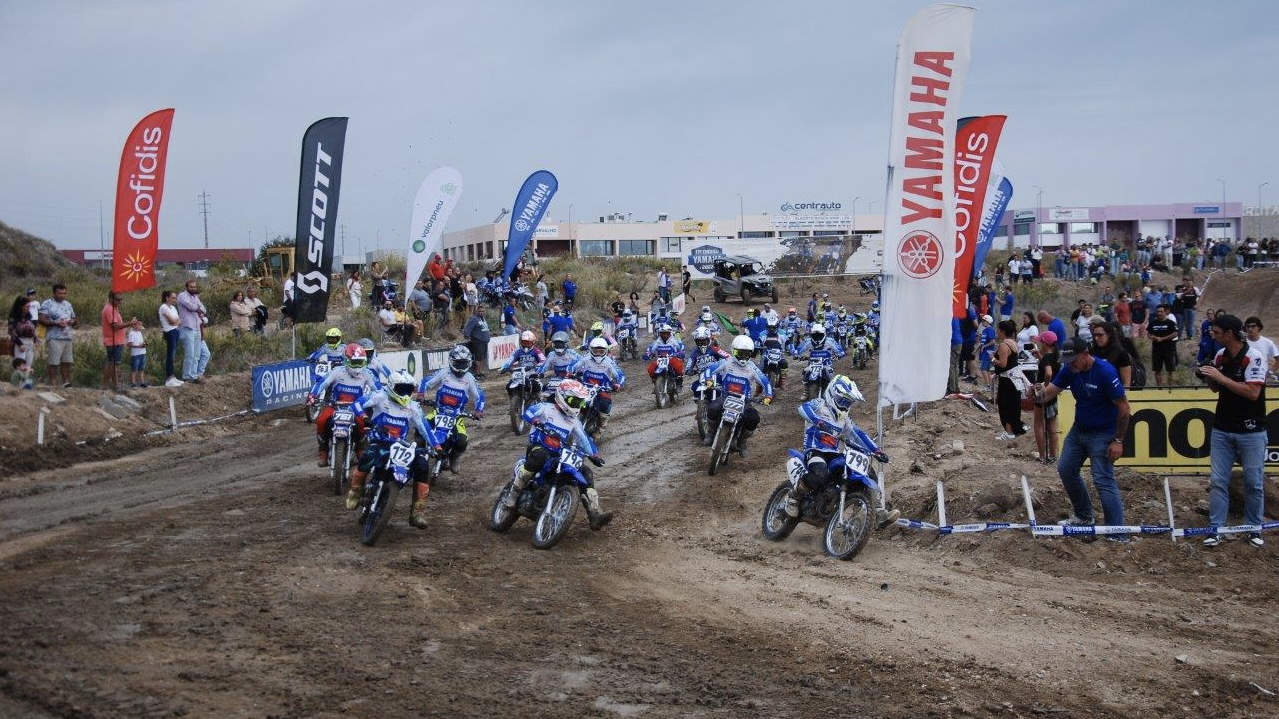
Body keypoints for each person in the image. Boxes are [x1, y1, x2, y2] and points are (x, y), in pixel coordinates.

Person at [1035, 337, 1132, 542]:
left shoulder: (1105, 373)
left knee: (1103, 479)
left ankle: (1117, 532)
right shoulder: (1071, 369)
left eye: (1074, 361)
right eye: (1068, 362)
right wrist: (1036, 394)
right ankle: (1083, 517)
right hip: (1079, 430)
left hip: (1104, 433)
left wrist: (1118, 440)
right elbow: (1049, 392)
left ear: (1086, 355)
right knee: (1066, 469)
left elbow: (1124, 408)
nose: (1070, 365)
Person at [781, 375, 899, 525]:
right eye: (842, 400)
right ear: (832, 394)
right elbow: (803, 408)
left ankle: (877, 511)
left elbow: (859, 434)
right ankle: (794, 496)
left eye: (848, 402)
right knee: (819, 471)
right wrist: (817, 421)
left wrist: (876, 451)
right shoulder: (820, 404)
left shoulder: (845, 420)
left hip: (834, 454)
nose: (845, 405)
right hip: (814, 450)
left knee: (867, 471)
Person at [1196, 314, 1269, 547]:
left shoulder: (1254, 356)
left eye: (1216, 332)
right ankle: (1215, 528)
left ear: (1229, 334)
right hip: (1223, 427)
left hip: (1251, 429)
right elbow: (1215, 390)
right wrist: (1209, 376)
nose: (1213, 335)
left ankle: (1254, 528)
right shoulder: (1219, 355)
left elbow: (1252, 393)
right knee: (1218, 480)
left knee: (1253, 482)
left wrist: (1220, 377)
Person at [503, 379, 612, 529]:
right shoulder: (546, 408)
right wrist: (535, 421)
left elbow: (583, 440)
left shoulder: (574, 421)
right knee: (541, 456)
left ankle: (594, 512)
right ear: (562, 397)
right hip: (538, 447)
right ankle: (514, 493)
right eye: (574, 401)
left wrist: (593, 454)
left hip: (559, 453)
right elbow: (528, 412)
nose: (577, 406)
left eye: (580, 403)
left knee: (586, 472)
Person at [345, 371, 435, 528]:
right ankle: (355, 490)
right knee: (367, 457)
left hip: (401, 445)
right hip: (379, 440)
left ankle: (417, 511)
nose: (405, 392)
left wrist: (437, 447)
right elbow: (356, 404)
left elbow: (425, 428)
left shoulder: (413, 407)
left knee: (422, 466)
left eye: (408, 389)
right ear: (392, 387)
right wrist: (364, 418)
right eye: (401, 388)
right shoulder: (380, 396)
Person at [417, 345, 486, 476]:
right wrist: (421, 394)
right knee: (421, 427)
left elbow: (480, 396)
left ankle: (453, 458)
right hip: (438, 410)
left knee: (461, 440)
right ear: (451, 361)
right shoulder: (444, 373)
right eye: (458, 363)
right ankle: (418, 454)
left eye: (463, 363)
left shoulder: (470, 379)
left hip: (457, 416)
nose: (460, 367)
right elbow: (426, 381)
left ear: (469, 363)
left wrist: (479, 410)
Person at [308, 343, 378, 467]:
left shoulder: (367, 373)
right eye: (354, 362)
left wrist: (378, 399)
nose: (357, 366)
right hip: (334, 405)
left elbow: (377, 389)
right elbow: (322, 383)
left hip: (356, 408)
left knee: (363, 424)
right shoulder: (337, 371)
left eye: (360, 362)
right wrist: (313, 395)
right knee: (321, 421)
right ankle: (323, 452)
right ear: (346, 360)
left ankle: (359, 450)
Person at [703, 335, 773, 457]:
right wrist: (708, 380)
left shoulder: (753, 368)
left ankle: (742, 441)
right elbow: (709, 369)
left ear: (751, 354)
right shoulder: (726, 362)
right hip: (725, 396)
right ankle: (711, 433)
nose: (743, 356)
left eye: (746, 354)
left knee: (753, 418)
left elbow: (766, 382)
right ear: (733, 351)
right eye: (740, 353)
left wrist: (768, 396)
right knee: (713, 408)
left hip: (744, 401)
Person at [570, 337, 626, 432]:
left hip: (603, 389)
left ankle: (600, 428)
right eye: (595, 351)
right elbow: (574, 365)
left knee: (605, 405)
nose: (598, 354)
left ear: (606, 351)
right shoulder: (586, 358)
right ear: (591, 350)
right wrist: (570, 372)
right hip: (585, 388)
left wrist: (618, 384)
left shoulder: (609, 362)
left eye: (601, 351)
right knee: (571, 401)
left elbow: (620, 374)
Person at [991, 319, 1029, 440]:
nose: (997, 331)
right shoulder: (1013, 343)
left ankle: (1009, 432)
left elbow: (1002, 364)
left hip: (1007, 380)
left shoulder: (1004, 345)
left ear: (1002, 331)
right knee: (1013, 405)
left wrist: (992, 359)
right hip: (1014, 379)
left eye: (998, 329)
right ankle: (1015, 428)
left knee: (1005, 405)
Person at [39, 283, 78, 388]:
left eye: (64, 293)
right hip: (54, 337)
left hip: (67, 336)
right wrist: (56, 323)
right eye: (59, 293)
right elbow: (42, 319)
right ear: (54, 293)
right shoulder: (47, 303)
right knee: (54, 362)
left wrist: (72, 322)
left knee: (67, 361)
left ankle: (66, 382)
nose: (62, 295)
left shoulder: (68, 304)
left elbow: (75, 319)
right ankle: (53, 382)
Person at [1031, 330, 1060, 464]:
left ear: (1044, 343)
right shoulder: (1055, 356)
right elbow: (1049, 367)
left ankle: (1043, 455)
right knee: (1052, 424)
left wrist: (1045, 386)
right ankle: (1054, 455)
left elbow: (1048, 372)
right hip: (1054, 393)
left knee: (1038, 424)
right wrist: (1039, 357)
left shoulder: (1047, 358)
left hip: (1043, 394)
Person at [177, 280, 207, 383]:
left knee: (196, 354)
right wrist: (197, 308)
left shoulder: (196, 297)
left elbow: (203, 309)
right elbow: (190, 306)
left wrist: (198, 308)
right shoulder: (182, 296)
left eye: (194, 287)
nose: (193, 288)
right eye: (191, 287)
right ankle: (186, 376)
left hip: (197, 327)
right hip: (187, 327)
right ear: (187, 287)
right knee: (189, 353)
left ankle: (193, 375)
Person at [1089, 320, 1133, 388]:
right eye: (1094, 335)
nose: (1096, 338)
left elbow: (1126, 383)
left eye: (1100, 335)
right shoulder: (1091, 352)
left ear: (1109, 334)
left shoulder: (1121, 353)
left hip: (1115, 392)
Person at [644, 323, 686, 389]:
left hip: (671, 358)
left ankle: (679, 383)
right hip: (660, 359)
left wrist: (680, 353)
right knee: (651, 369)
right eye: (663, 333)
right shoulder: (658, 341)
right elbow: (651, 349)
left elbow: (680, 348)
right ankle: (655, 382)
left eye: (666, 333)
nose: (665, 335)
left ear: (670, 333)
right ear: (660, 334)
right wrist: (648, 354)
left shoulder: (673, 340)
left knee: (678, 367)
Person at [1147, 304, 1179, 387]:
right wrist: (1152, 337)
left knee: (1170, 370)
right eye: (1158, 312)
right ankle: (1159, 389)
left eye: (1161, 311)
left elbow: (1175, 334)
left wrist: (1162, 339)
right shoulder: (1153, 323)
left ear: (1165, 312)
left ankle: (1170, 389)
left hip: (1169, 350)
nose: (1159, 313)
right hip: (1156, 350)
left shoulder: (1171, 323)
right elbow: (1149, 333)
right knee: (1157, 370)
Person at [158, 291, 183, 387]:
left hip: (175, 331)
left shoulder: (173, 308)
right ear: (167, 298)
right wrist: (176, 322)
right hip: (169, 332)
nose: (174, 300)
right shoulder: (163, 307)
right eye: (173, 298)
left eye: (175, 298)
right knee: (170, 355)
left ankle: (172, 377)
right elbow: (172, 321)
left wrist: (176, 322)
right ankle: (168, 378)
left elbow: (178, 320)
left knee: (173, 354)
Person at [462, 305, 492, 378]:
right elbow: (468, 328)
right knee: (478, 359)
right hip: (477, 342)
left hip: (484, 342)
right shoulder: (474, 319)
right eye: (479, 311)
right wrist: (467, 336)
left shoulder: (483, 319)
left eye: (482, 311)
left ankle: (481, 372)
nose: (481, 312)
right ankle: (477, 373)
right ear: (476, 311)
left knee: (482, 358)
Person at [126, 318, 147, 388]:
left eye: (141, 325)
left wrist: (144, 344)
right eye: (139, 325)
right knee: (134, 369)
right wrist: (139, 346)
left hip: (142, 352)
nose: (140, 326)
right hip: (135, 354)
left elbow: (140, 342)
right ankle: (133, 383)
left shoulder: (140, 332)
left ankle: (142, 382)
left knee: (141, 368)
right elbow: (129, 344)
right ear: (134, 325)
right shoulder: (131, 333)